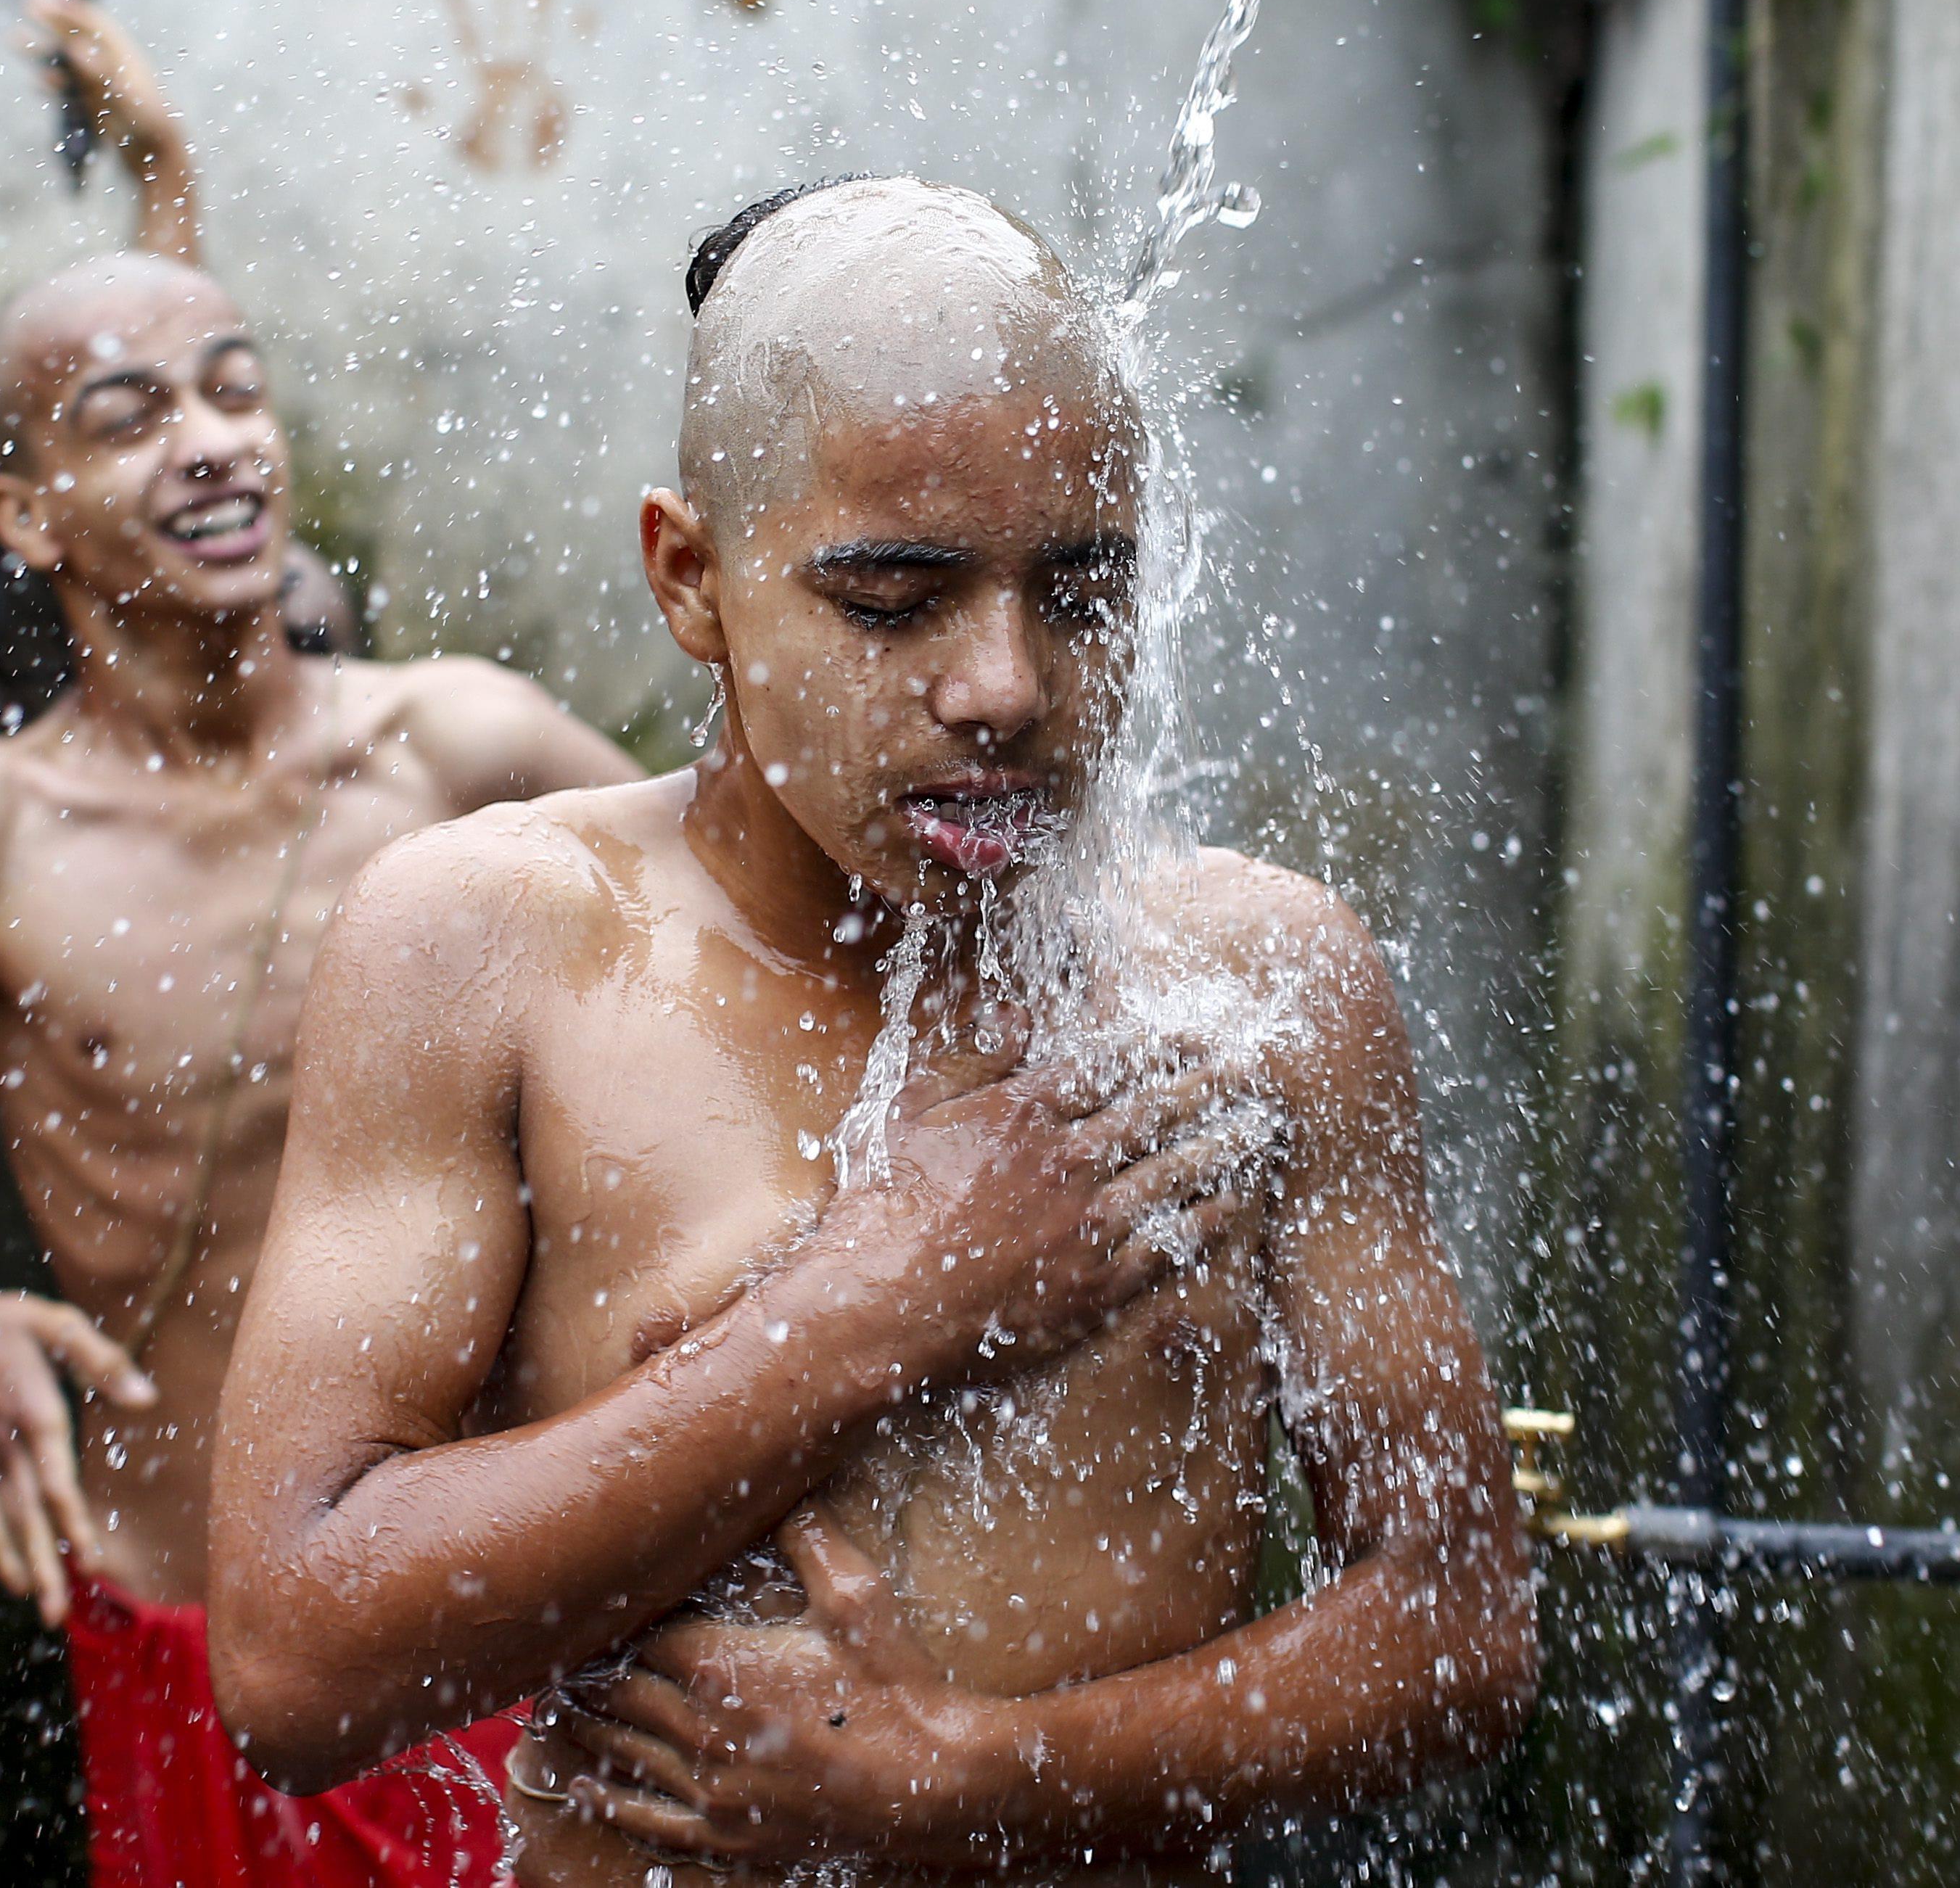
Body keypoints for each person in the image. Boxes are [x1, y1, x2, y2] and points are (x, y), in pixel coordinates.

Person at [208, 176, 1536, 1886]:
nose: (1005, 688)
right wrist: (876, 1303)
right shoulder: (492, 948)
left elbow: (1456, 1633)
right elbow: (297, 1666)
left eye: (1077, 592)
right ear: (691, 579)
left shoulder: (1264, 984)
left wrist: (966, 1780)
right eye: (895, 601)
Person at [0, 0, 641, 1888]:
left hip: (505, 1615)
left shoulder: (453, 748)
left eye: (240, 388)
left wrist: (171, 184)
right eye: (131, 420)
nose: (212, 441)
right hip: (197, 1644)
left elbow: (755, 932)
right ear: (25, 514)